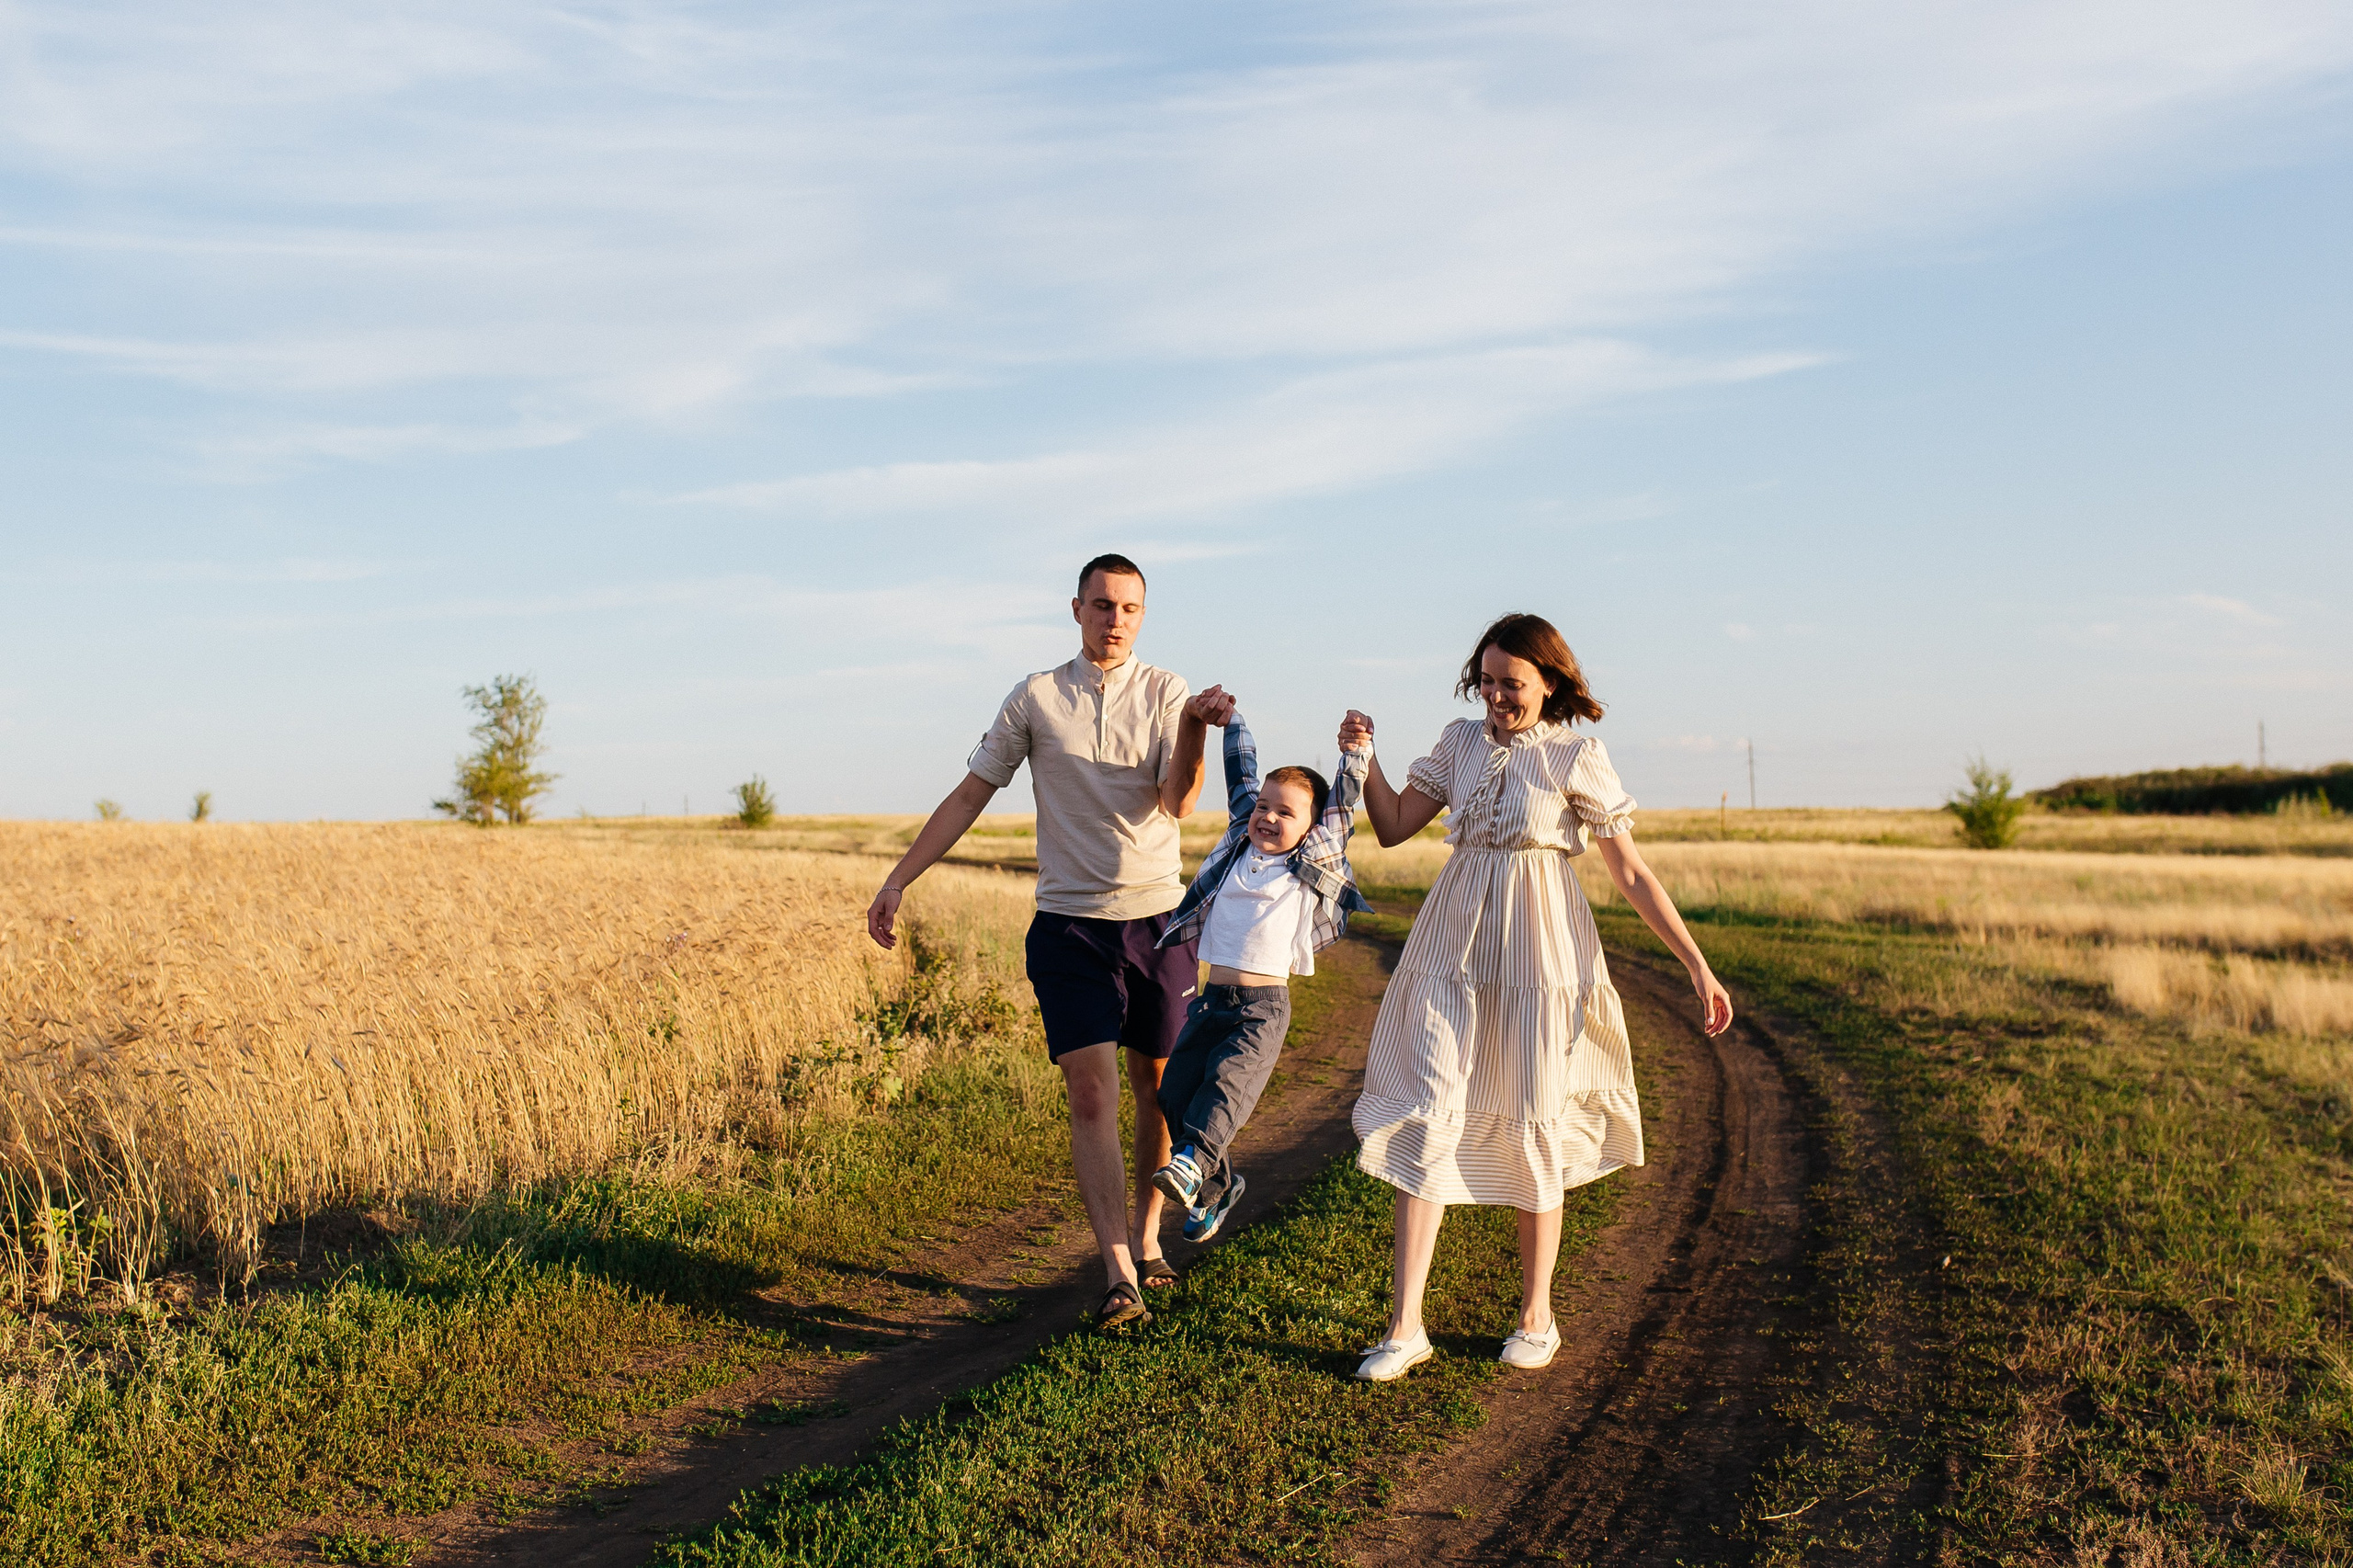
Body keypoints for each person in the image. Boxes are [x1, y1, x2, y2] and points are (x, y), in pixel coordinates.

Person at [1344, 612, 1733, 1381]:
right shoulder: (1459, 744)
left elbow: (1631, 875)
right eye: (1486, 681)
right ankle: (1405, 1327)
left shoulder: (1576, 755)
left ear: (1550, 682)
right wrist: (1363, 760)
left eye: (1511, 684)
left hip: (1540, 952)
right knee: (1429, 1108)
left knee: (1533, 1115)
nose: (1496, 696)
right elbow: (1391, 827)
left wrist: (1695, 964)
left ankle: (1536, 1316)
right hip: (1450, 947)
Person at [867, 553, 1220, 1331]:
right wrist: (900, 878)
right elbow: (971, 793)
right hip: (1067, 925)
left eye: (1128, 607)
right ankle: (1119, 1274)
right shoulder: (1035, 696)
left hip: (1158, 922)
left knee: (1158, 1089)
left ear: (1142, 614)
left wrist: (1194, 727)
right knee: (1090, 1090)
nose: (1115, 619)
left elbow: (1180, 801)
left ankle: (1148, 1236)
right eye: (1101, 605)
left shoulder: (1168, 692)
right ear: (1076, 609)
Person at [1148, 699, 1371, 1244]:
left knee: (1225, 1090)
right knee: (1175, 1094)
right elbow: (1242, 773)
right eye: (1264, 807)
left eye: (1285, 812)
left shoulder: (1311, 859)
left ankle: (1194, 1161)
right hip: (1210, 1001)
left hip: (1259, 1011)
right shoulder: (1238, 844)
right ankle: (1217, 1185)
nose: (1269, 817)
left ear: (1311, 828)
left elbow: (1341, 807)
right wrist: (1234, 722)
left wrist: (1356, 755)